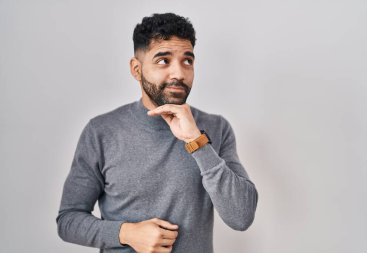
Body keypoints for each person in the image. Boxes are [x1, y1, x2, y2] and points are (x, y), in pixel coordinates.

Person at [56, 13, 258, 253]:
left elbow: (241, 216)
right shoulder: (101, 131)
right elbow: (68, 220)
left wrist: (197, 142)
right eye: (163, 60)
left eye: (187, 61)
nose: (179, 74)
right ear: (136, 69)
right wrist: (126, 233)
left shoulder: (215, 128)